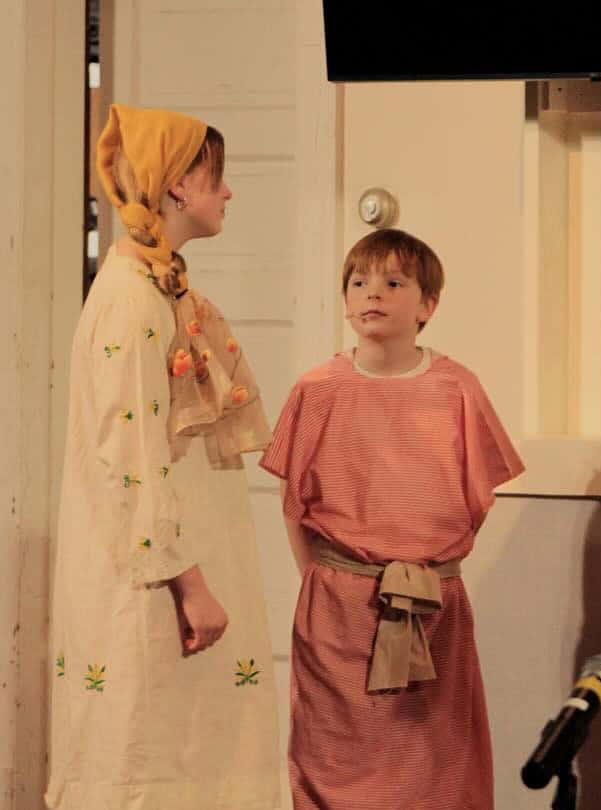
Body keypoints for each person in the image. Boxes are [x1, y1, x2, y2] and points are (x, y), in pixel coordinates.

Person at [47, 104, 281, 808]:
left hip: (176, 563)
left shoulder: (160, 290)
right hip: (150, 580)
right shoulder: (131, 302)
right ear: (178, 185)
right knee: (141, 760)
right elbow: (130, 455)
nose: (227, 192)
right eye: (215, 178)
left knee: (184, 755)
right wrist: (190, 585)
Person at [261, 228, 524, 810]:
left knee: (435, 756)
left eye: (393, 282)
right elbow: (292, 499)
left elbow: (478, 497)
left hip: (431, 602)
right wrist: (325, 578)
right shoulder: (317, 389)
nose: (372, 293)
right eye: (358, 282)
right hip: (339, 606)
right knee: (332, 751)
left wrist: (425, 566)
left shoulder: (457, 387)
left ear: (428, 304)